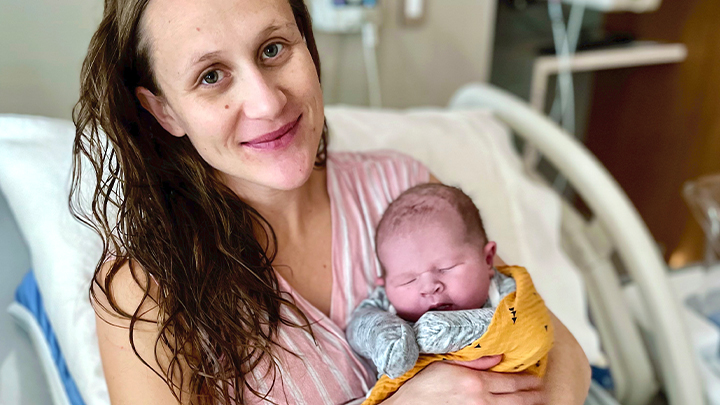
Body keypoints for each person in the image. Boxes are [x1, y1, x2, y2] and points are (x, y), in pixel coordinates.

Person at [70, 0, 591, 403]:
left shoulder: (404, 190)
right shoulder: (146, 289)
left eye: (273, 48)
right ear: (164, 111)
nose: (268, 101)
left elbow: (558, 347)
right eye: (212, 76)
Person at [346, 184, 554, 404]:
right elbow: (360, 325)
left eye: (446, 268)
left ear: (488, 260)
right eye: (408, 280)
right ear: (385, 285)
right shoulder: (387, 305)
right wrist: (384, 337)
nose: (429, 287)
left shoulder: (507, 291)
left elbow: (532, 329)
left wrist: (447, 330)